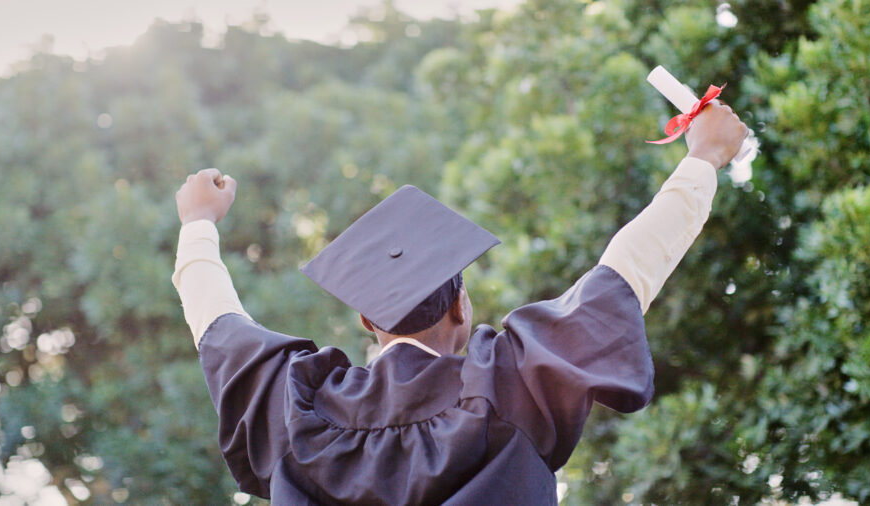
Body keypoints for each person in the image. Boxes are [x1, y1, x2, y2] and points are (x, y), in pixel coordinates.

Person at [172, 101, 748, 505]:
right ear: (461, 310)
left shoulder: (297, 410)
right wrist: (703, 159)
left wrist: (198, 223)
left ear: (367, 320)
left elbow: (218, 324)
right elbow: (624, 275)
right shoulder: (510, 385)